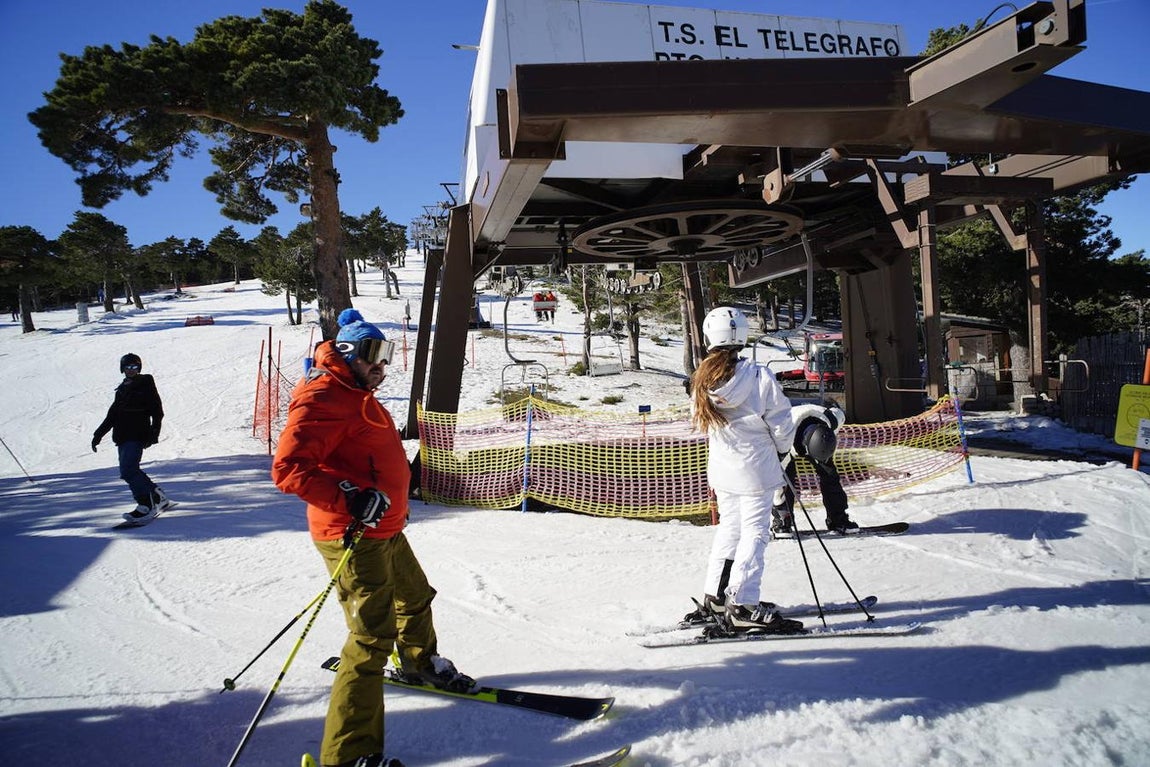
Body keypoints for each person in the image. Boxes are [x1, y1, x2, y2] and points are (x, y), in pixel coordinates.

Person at [272, 308, 472, 767]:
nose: (381, 365)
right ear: (346, 353)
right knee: (370, 636)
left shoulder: (356, 392)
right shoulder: (323, 395)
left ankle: (421, 664)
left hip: (385, 528)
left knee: (416, 596)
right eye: (371, 354)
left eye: (385, 354)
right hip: (351, 534)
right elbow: (288, 470)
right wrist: (351, 497)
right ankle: (348, 755)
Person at [685, 307, 803, 634]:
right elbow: (781, 423)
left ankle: (717, 597)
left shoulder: (701, 380)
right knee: (755, 532)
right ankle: (743, 603)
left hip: (723, 470)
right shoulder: (756, 376)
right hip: (756, 470)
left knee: (730, 530)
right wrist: (782, 453)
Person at [91, 353, 173, 523]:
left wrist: (154, 432)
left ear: (139, 368)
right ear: (122, 369)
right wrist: (98, 434)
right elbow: (112, 415)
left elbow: (157, 411)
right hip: (122, 435)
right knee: (129, 470)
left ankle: (146, 504)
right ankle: (158, 496)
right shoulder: (122, 389)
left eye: (135, 367)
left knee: (129, 470)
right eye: (128, 367)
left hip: (137, 433)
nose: (131, 370)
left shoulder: (145, 384)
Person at [771, 402, 859, 535]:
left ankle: (838, 519)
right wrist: (779, 504)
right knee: (784, 480)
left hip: (818, 435)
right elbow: (777, 485)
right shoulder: (783, 436)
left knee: (830, 475)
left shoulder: (832, 419)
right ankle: (783, 519)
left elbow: (840, 414)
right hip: (788, 439)